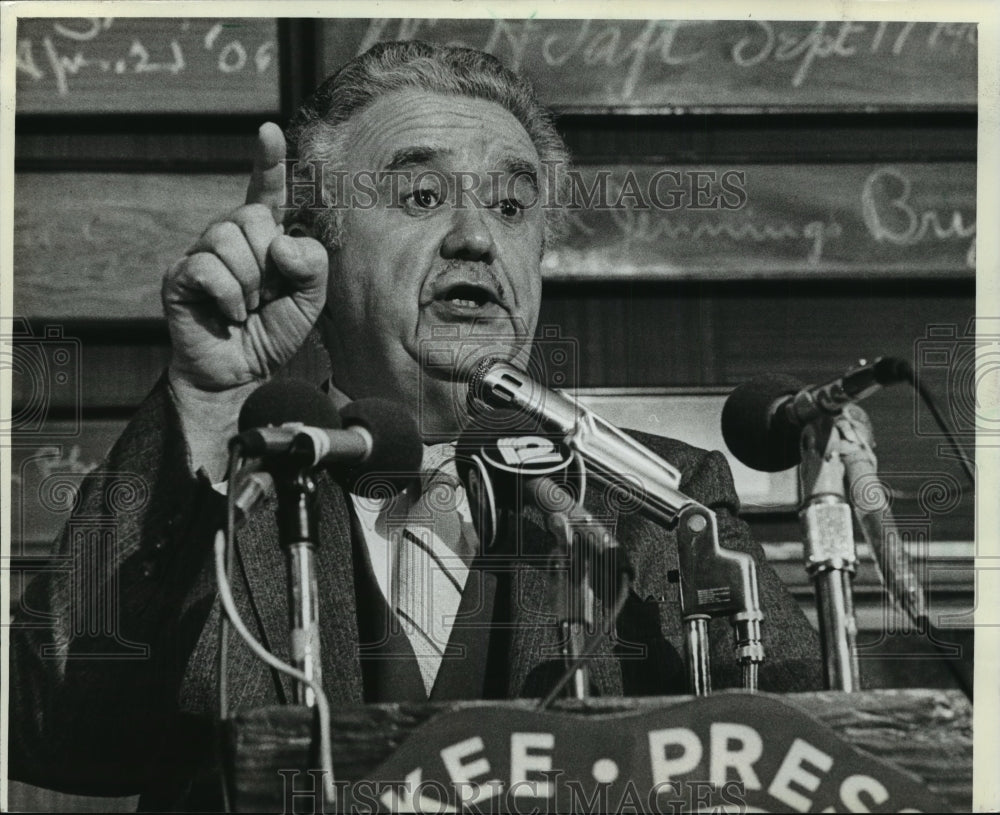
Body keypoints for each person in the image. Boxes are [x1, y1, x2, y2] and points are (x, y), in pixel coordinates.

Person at [9, 41, 821, 811]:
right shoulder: (225, 490)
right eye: (422, 197)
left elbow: (814, 761)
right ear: (315, 245)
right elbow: (54, 728)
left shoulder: (659, 503)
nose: (475, 236)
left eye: (510, 205)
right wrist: (204, 402)